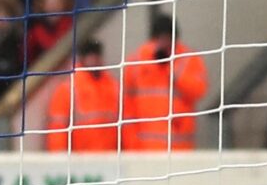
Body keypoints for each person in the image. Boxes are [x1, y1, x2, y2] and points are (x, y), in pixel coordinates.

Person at [120, 15, 207, 150]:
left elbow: (198, 91)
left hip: (179, 145)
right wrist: (131, 144)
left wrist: (172, 71)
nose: (164, 43)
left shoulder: (188, 59)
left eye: (168, 39)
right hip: (146, 147)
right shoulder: (137, 60)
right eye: (160, 38)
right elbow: (127, 107)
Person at [34, 41, 123, 152]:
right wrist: (59, 158)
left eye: (96, 57)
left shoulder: (114, 87)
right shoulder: (68, 89)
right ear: (82, 59)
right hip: (80, 160)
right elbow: (57, 128)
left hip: (110, 158)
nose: (94, 62)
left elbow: (124, 126)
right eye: (90, 57)